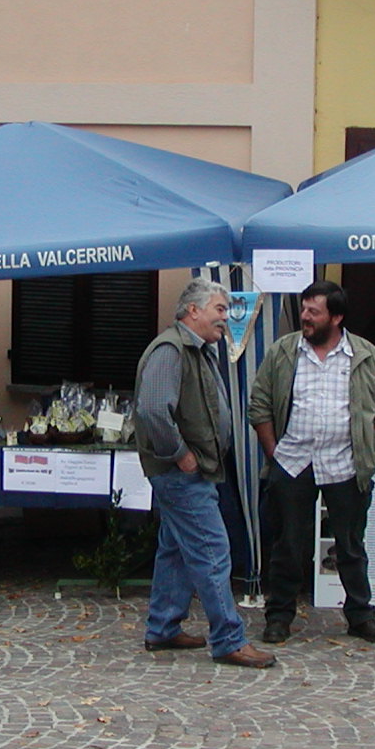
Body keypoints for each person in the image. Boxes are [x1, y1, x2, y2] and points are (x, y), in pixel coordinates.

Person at [133, 277, 275, 669]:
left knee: (176, 550)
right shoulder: (171, 350)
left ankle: (162, 628)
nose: (225, 318)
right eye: (220, 309)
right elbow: (152, 410)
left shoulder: (195, 350)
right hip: (181, 474)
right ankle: (229, 639)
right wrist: (180, 455)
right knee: (212, 551)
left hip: (192, 471)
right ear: (193, 310)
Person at [248, 279, 375, 646]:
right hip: (293, 462)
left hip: (346, 465)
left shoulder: (365, 355)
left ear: (336, 317)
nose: (305, 317)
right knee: (287, 545)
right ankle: (279, 617)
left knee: (351, 546)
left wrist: (370, 445)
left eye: (314, 312)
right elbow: (259, 403)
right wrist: (273, 453)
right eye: (304, 309)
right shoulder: (284, 352)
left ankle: (361, 617)